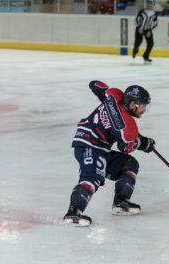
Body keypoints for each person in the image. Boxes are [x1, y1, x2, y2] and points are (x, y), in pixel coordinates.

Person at [63, 80, 156, 226]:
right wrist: (143, 143)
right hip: (89, 145)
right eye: (143, 106)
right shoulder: (128, 127)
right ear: (132, 104)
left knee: (129, 164)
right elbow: (125, 147)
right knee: (92, 177)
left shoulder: (113, 96)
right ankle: (73, 213)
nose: (144, 110)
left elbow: (95, 85)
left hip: (96, 145)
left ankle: (121, 202)